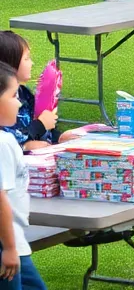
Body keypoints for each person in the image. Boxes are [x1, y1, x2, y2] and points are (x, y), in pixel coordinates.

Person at [0, 62, 47, 290]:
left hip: (14, 242)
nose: (19, 102)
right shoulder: (3, 143)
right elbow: (0, 201)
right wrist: (9, 248)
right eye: (12, 96)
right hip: (7, 244)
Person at [0, 32, 69, 152]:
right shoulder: (4, 99)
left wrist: (58, 137)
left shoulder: (24, 94)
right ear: (9, 63)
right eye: (26, 58)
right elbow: (10, 139)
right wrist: (39, 126)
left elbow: (39, 128)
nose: (32, 63)